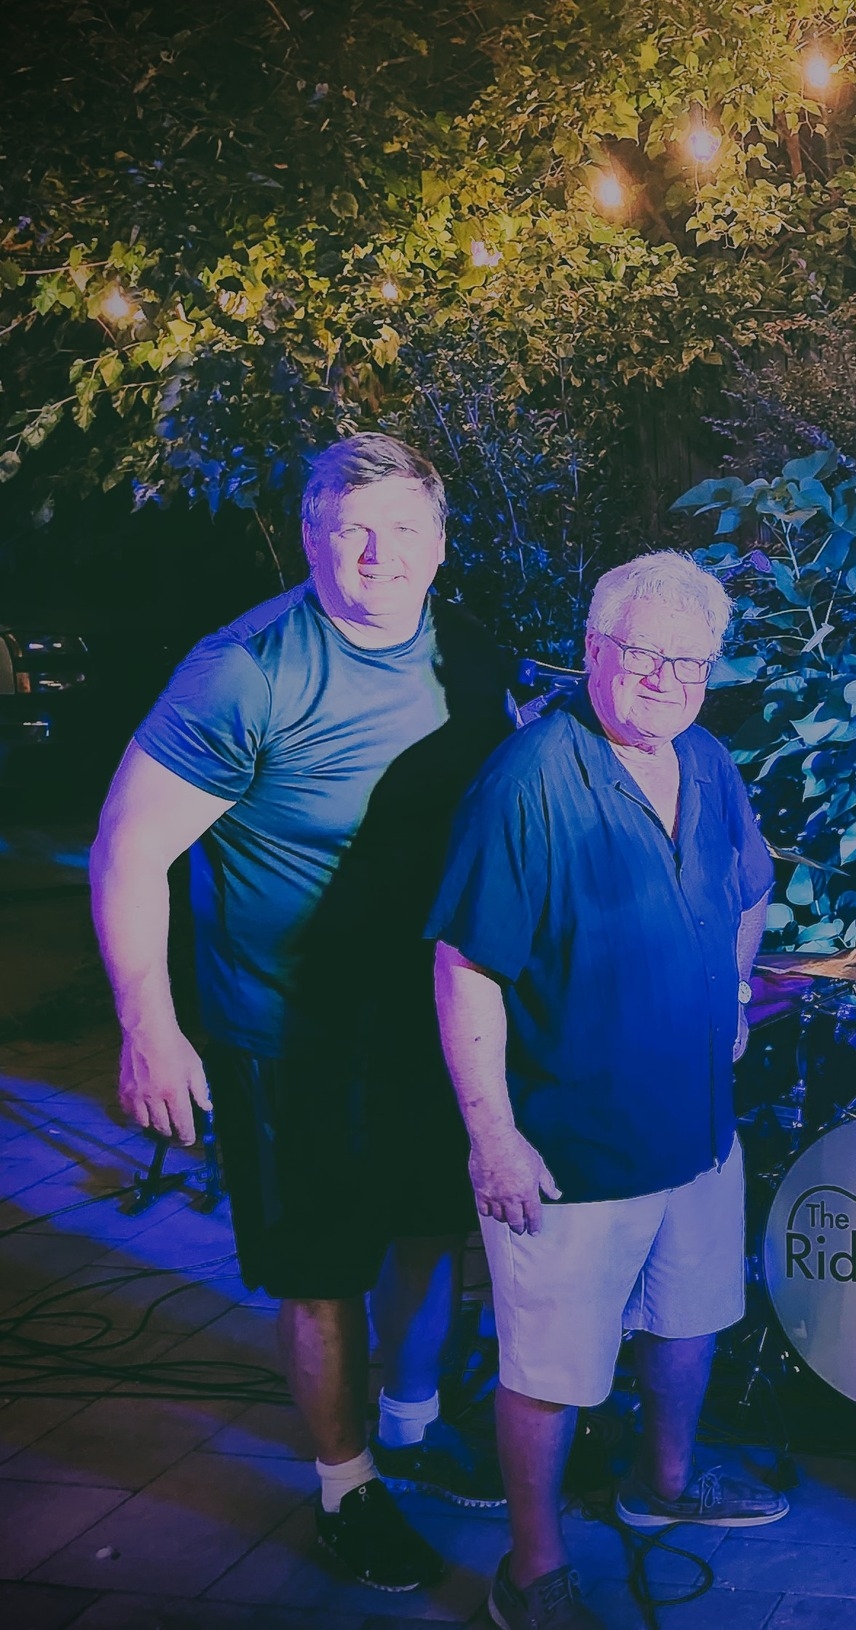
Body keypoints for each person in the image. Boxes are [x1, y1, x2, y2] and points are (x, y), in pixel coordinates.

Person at [90, 433, 509, 1592]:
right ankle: (345, 1484)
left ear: (441, 542)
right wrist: (149, 1026)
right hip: (287, 1029)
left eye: (405, 528)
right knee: (321, 1265)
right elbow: (127, 850)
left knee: (427, 1223)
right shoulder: (244, 671)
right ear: (311, 537)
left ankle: (413, 1423)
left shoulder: (467, 653)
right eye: (351, 530)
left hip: (424, 1015)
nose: (379, 554)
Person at [429, 551, 787, 1630]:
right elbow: (466, 965)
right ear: (593, 649)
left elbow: (752, 885)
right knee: (552, 1368)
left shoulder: (706, 760)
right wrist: (492, 1137)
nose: (668, 680)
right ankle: (532, 1569)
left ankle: (662, 1483)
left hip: (698, 1128)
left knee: (690, 1317)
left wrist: (732, 995)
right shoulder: (530, 779)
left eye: (693, 662)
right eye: (643, 655)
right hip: (571, 1145)